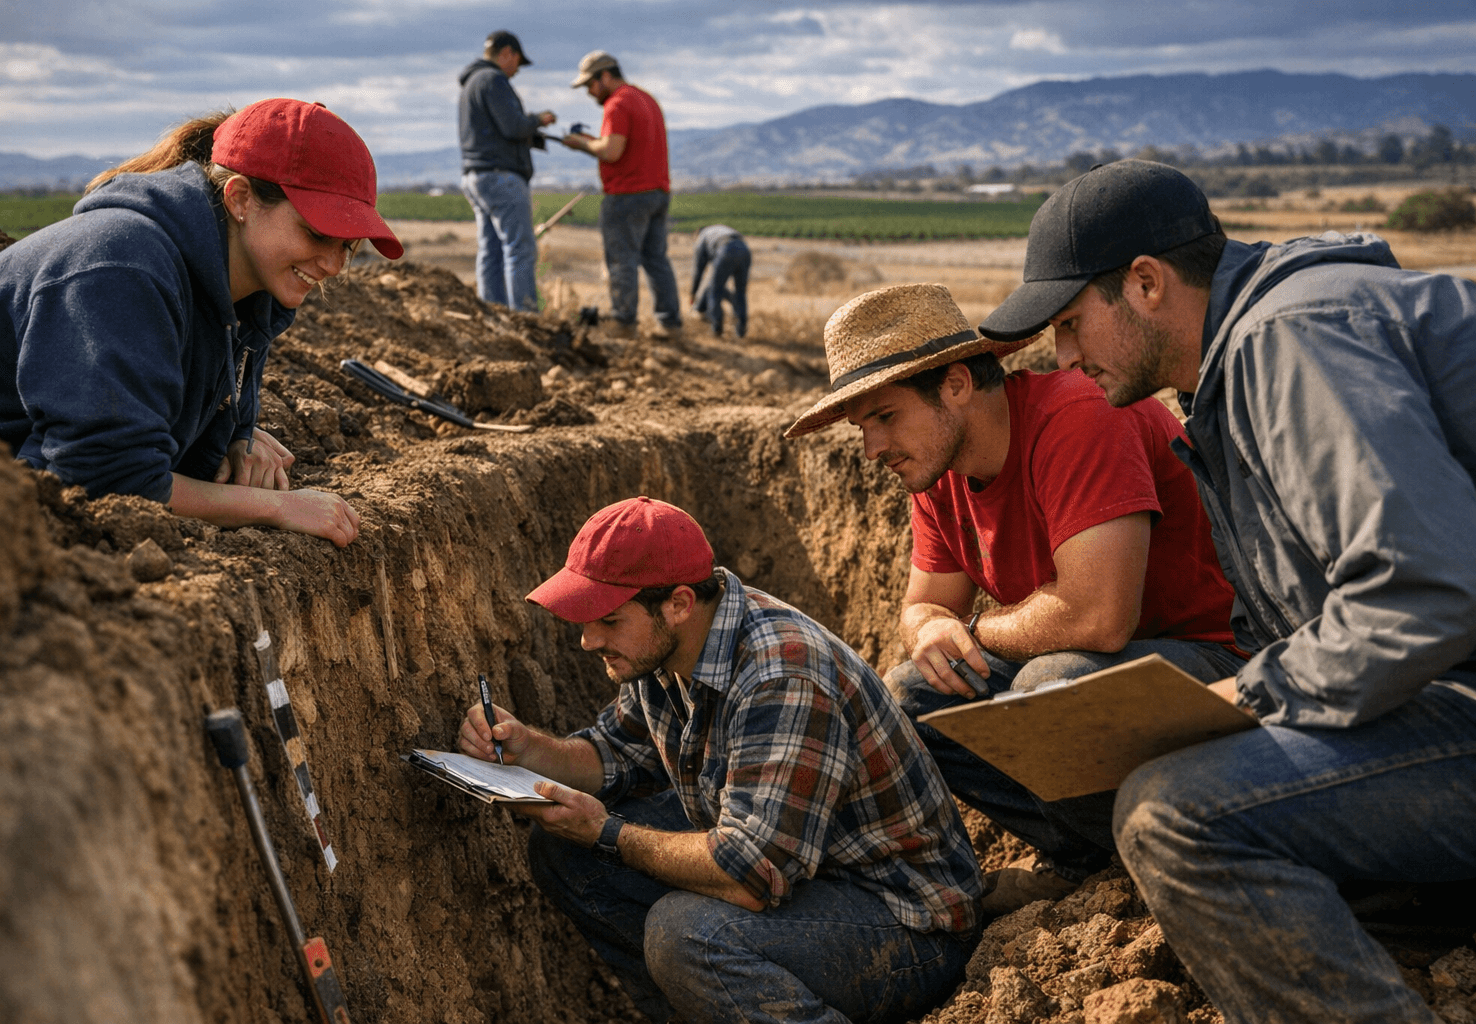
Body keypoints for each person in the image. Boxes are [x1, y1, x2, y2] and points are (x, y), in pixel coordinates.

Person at [977, 158, 1476, 1023]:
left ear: (1145, 284)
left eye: (1068, 324)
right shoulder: (1244, 360)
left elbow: (1425, 591)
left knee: (1174, 815)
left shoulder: (1290, 339)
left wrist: (1252, 692)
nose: (1061, 358)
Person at [785, 282, 1242, 914]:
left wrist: (968, 630)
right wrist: (927, 631)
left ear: (955, 384)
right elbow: (923, 607)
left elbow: (1099, 619)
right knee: (911, 695)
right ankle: (1091, 859)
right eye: (863, 427)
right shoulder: (937, 470)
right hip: (1116, 675)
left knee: (1050, 683)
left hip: (1224, 666)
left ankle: (1191, 855)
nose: (872, 450)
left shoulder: (1078, 415)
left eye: (885, 418)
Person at [459, 496, 982, 1024]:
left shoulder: (781, 675)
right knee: (565, 853)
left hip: (907, 923)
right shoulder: (667, 649)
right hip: (803, 870)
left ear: (679, 603)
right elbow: (613, 754)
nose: (589, 641)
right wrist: (528, 748)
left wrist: (605, 831)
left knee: (686, 935)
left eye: (609, 621)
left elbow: (750, 875)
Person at [0, 98, 399, 548]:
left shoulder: (250, 291)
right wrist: (275, 506)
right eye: (318, 234)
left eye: (348, 244)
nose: (335, 265)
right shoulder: (122, 270)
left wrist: (231, 434)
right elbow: (106, 482)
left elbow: (148, 432)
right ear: (240, 199)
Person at [562, 51, 681, 340]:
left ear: (605, 76)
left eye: (590, 85)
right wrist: (593, 142)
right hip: (657, 192)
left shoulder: (617, 104)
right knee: (656, 260)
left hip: (628, 194)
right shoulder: (646, 99)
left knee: (621, 260)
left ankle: (623, 323)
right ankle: (670, 324)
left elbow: (612, 151)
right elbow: (624, 145)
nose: (590, 93)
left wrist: (581, 145)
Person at [458, 30, 557, 312]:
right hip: (501, 175)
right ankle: (526, 317)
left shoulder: (471, 84)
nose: (516, 71)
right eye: (516, 62)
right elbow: (513, 126)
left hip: (475, 175)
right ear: (507, 54)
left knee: (491, 251)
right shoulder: (494, 80)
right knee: (520, 249)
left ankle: (493, 314)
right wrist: (538, 120)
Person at [689, 224, 751, 338]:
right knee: (740, 292)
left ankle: (717, 329)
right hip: (744, 250)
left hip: (726, 250)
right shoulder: (716, 231)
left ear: (696, 236)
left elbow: (698, 271)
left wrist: (693, 294)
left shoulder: (701, 238)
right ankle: (741, 331)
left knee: (714, 291)